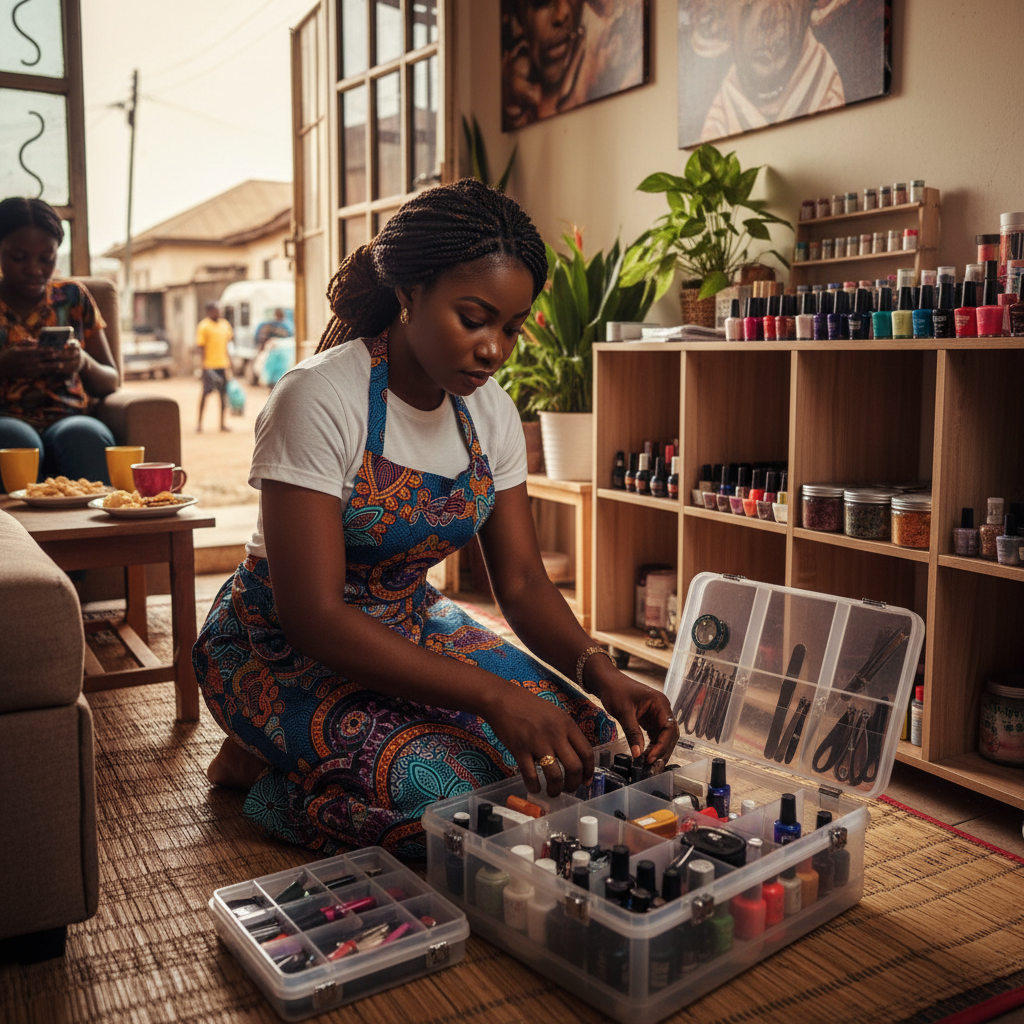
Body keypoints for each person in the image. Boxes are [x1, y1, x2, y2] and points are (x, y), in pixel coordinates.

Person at [193, 179, 678, 859]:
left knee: (582, 744)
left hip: (409, 622)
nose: (494, 349)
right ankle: (260, 772)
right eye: (473, 318)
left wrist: (603, 672)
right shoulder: (319, 398)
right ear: (409, 292)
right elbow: (314, 615)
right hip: (278, 644)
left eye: (511, 327)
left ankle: (305, 755)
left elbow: (523, 583)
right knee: (454, 798)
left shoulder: (491, 412)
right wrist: (489, 696)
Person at [0, 197, 119, 490]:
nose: (34, 269)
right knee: (18, 442)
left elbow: (110, 381)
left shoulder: (73, 298)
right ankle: (15, 536)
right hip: (5, 418)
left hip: (69, 416)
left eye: (46, 258)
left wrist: (82, 362)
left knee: (85, 435)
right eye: (19, 257)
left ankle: (89, 535)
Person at [684, 0, 847, 143]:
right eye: (749, 4)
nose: (768, 19)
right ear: (720, 20)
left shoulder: (830, 94)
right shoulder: (719, 124)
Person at [501, 0, 645, 130]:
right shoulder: (515, 79)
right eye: (541, 1)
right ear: (518, 19)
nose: (562, 13)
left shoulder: (612, 46)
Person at [195, 301, 233, 432]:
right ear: (209, 312)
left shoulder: (225, 325)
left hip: (223, 365)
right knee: (206, 394)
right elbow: (201, 347)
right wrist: (203, 366)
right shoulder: (203, 326)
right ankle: (199, 424)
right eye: (216, 311)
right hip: (209, 366)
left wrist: (229, 363)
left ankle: (222, 424)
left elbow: (227, 345)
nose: (219, 313)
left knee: (223, 395)